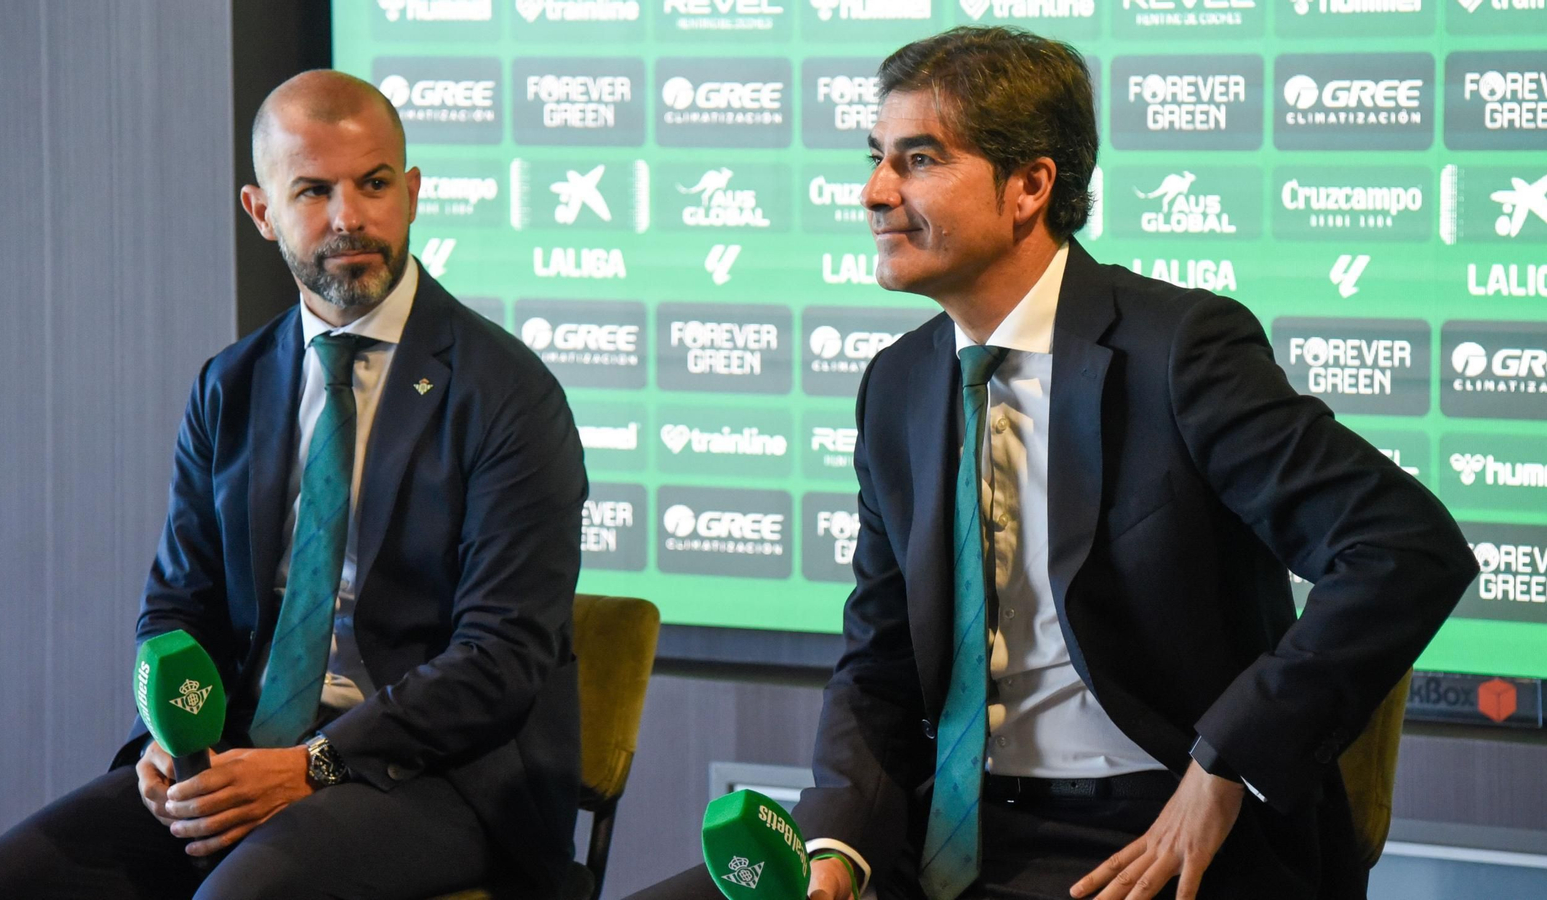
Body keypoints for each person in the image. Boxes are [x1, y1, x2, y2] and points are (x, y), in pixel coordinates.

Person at [628, 27, 1476, 900]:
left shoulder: (1179, 352)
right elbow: (880, 662)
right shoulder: (897, 385)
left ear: (1030, 186)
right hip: (943, 831)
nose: (875, 191)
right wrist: (838, 847)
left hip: (1144, 834)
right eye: (876, 157)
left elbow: (1403, 550)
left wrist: (1226, 764)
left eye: (919, 160)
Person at [0, 70, 587, 900]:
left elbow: (499, 659)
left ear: (413, 193)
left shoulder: (507, 393)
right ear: (261, 211)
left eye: (374, 184)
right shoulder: (231, 383)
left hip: (441, 776)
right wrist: (168, 740)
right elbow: (178, 607)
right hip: (242, 747)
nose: (349, 216)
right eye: (314, 191)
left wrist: (313, 765)